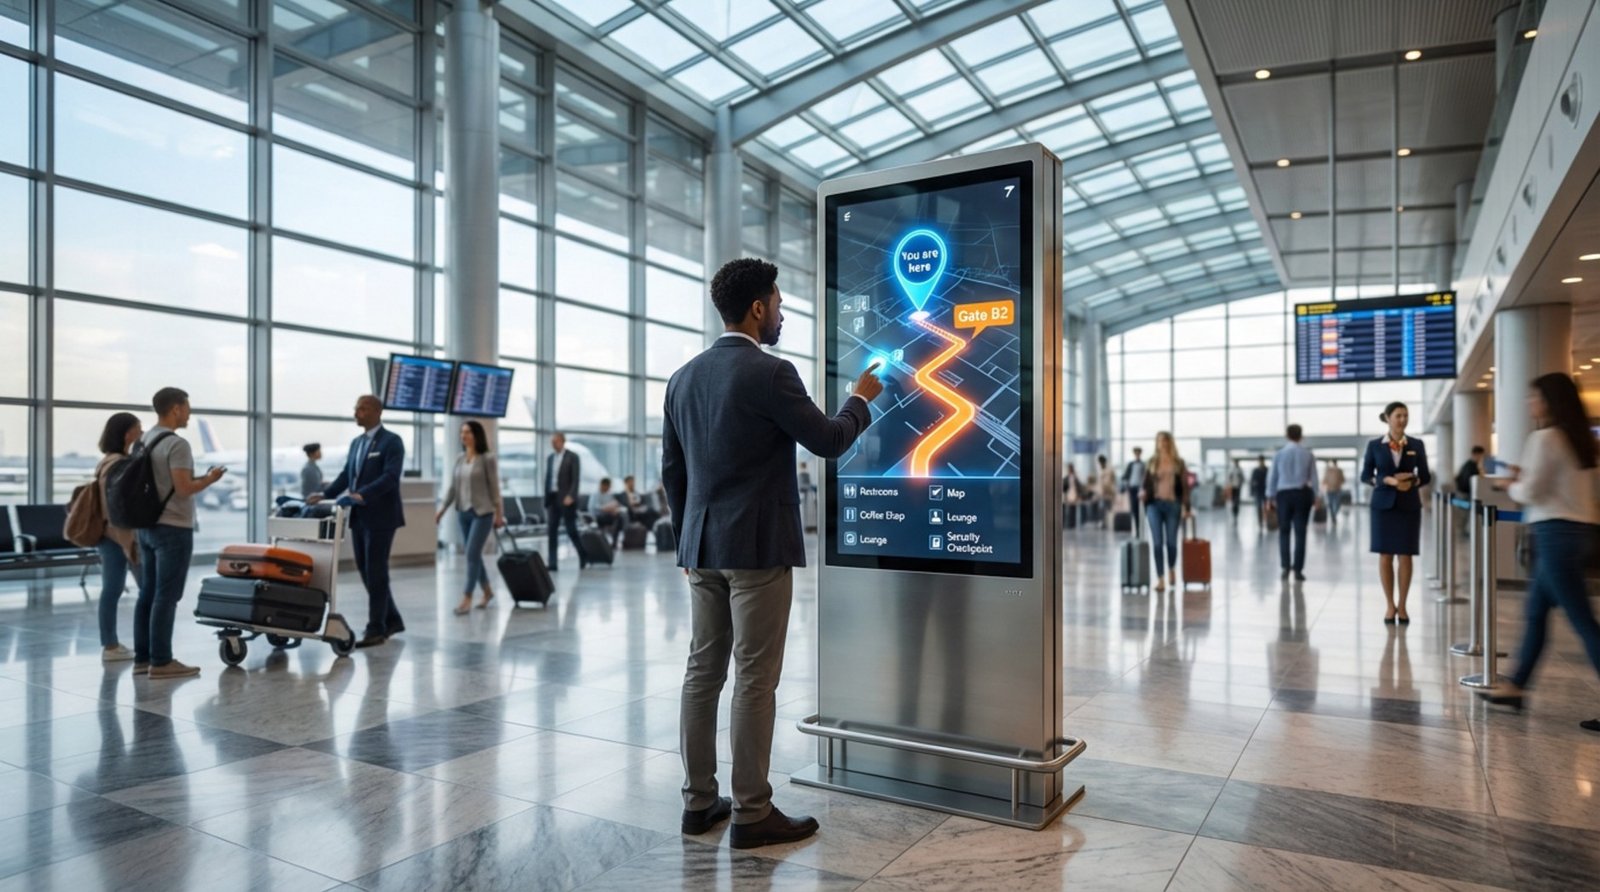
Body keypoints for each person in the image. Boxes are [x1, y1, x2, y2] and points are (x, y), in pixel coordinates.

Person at [664, 257, 882, 849]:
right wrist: (860, 398)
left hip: (702, 548)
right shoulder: (770, 373)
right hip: (756, 549)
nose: (781, 313)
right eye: (779, 304)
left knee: (701, 673)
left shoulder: (682, 378)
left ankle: (699, 802)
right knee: (756, 679)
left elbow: (673, 471)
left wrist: (687, 538)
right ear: (758, 308)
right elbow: (829, 440)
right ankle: (753, 812)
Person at [1478, 374, 1600, 733]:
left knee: (1583, 622)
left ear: (1549, 401)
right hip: (1575, 533)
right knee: (1535, 613)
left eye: (1535, 397)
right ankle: (1516, 687)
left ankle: (1516, 686)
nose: (1530, 404)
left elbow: (1529, 492)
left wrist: (1508, 483)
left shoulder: (1545, 437)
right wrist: (1524, 476)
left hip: (1554, 535)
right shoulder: (1578, 440)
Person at [135, 387, 226, 679]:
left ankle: (143, 658)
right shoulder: (177, 444)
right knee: (167, 595)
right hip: (173, 526)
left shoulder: (143, 440)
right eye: (187, 407)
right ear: (176, 408)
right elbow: (184, 488)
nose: (189, 413)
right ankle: (161, 661)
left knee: (147, 593)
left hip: (146, 526)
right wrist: (210, 479)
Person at [310, 395, 406, 647]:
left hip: (382, 516)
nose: (356, 413)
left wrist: (361, 494)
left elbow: (390, 477)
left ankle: (376, 629)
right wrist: (326, 495)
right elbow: (346, 475)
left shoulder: (392, 442)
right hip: (360, 517)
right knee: (366, 571)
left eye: (362, 409)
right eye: (355, 409)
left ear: (377, 411)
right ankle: (392, 619)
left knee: (376, 571)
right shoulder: (356, 443)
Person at [1360, 402, 1431, 625]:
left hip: (1408, 503)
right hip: (1383, 506)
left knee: (1406, 555)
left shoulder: (1417, 445)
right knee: (1385, 556)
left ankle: (1403, 605)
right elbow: (1365, 476)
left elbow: (1426, 476)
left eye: (1405, 415)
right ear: (1388, 418)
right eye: (1398, 415)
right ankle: (1390, 605)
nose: (1402, 419)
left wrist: (1411, 481)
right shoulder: (1374, 446)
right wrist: (1388, 480)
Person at [436, 420, 504, 616]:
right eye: (462, 432)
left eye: (467, 432)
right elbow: (452, 488)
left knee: (472, 553)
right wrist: (441, 510)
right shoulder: (459, 459)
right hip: (463, 512)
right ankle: (488, 591)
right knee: (473, 554)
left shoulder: (487, 458)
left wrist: (499, 514)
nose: (463, 436)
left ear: (476, 435)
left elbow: (495, 489)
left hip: (483, 512)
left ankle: (467, 597)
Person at [93, 412, 142, 662]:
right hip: (122, 534)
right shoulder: (120, 464)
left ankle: (110, 644)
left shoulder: (105, 462)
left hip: (106, 533)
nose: (142, 432)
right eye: (138, 428)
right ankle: (147, 645)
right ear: (127, 434)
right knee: (148, 589)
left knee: (111, 589)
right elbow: (122, 504)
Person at [1140, 432, 1189, 592]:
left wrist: (1187, 507)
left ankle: (1172, 569)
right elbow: (1145, 483)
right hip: (1154, 505)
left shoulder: (1179, 463)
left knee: (1171, 543)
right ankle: (1161, 578)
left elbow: (1185, 487)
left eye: (1165, 441)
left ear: (1170, 443)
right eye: (1160, 441)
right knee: (1157, 543)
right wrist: (1143, 493)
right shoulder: (1152, 462)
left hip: (1173, 505)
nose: (1162, 444)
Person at [1267, 425, 1317, 581]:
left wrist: (1269, 497)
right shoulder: (1308, 454)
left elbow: (1273, 477)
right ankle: (1298, 570)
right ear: (1301, 436)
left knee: (1284, 531)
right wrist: (1316, 496)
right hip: (1302, 494)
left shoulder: (1279, 454)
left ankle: (1285, 568)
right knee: (1300, 532)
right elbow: (1313, 478)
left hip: (1283, 495)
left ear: (1287, 435)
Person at [544, 432, 588, 571]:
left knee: (571, 529)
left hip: (566, 499)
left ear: (562, 441)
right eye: (552, 442)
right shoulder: (550, 458)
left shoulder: (572, 457)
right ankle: (552, 563)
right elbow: (549, 478)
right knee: (552, 530)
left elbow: (575, 479)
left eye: (556, 441)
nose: (553, 444)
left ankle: (583, 554)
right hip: (553, 498)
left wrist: (571, 495)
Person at [592, 477, 627, 545]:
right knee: (617, 518)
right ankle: (614, 540)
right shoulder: (596, 495)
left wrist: (614, 509)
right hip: (598, 516)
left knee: (620, 517)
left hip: (609, 515)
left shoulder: (609, 495)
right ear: (603, 485)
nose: (608, 488)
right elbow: (598, 508)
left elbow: (615, 504)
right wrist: (609, 509)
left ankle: (616, 540)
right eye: (607, 486)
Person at [1121, 447, 1146, 537]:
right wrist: (1126, 485)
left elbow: (1145, 477)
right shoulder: (1131, 464)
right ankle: (1135, 529)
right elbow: (1125, 476)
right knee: (1134, 509)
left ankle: (1140, 528)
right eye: (1136, 453)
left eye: (1138, 453)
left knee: (1141, 510)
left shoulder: (1143, 464)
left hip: (1140, 489)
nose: (1137, 454)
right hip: (1132, 488)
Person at [1322, 458, 1346, 526]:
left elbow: (1343, 480)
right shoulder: (1328, 470)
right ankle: (1333, 516)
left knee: (1337, 503)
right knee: (1331, 504)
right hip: (1330, 489)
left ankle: (1334, 515)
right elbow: (1324, 480)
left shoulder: (1339, 470)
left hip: (1337, 489)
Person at [1096, 454, 1117, 529]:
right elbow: (1099, 482)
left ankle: (1110, 523)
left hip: (1109, 492)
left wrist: (1111, 489)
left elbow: (1112, 481)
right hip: (1102, 493)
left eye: (1100, 462)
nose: (1100, 464)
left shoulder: (1109, 470)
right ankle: (1103, 523)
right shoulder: (1100, 470)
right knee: (1102, 508)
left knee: (1109, 508)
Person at [1249, 456, 1269, 526]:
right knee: (1259, 507)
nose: (1261, 462)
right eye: (1260, 461)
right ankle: (1260, 522)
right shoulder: (1255, 470)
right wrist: (1252, 491)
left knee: (1266, 507)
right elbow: (1252, 481)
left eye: (1262, 461)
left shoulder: (1267, 470)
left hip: (1265, 491)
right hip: (1258, 491)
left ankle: (1266, 520)